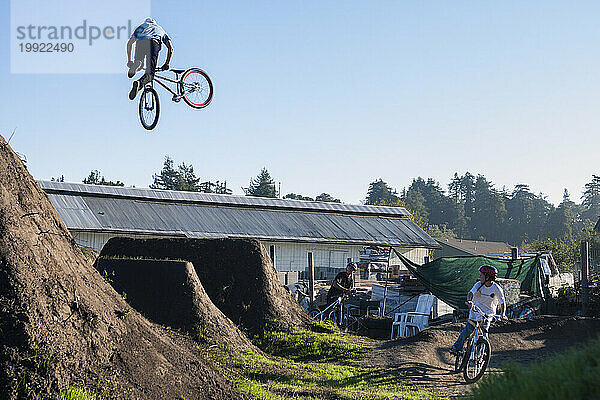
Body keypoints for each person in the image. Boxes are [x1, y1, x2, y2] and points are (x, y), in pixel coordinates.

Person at [450, 264, 508, 355]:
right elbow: (470, 293)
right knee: (467, 331)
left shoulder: (497, 288)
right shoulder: (478, 285)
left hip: (488, 314)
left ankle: (482, 352)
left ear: (487, 277)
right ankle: (456, 347)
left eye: (481, 275)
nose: (480, 277)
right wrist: (469, 301)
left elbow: (502, 303)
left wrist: (503, 314)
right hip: (475, 312)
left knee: (485, 332)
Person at [126, 18, 174, 100]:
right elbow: (170, 48)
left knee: (139, 62)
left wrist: (129, 60)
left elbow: (129, 43)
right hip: (153, 43)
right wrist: (167, 63)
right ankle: (139, 83)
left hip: (141, 42)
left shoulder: (140, 27)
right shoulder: (160, 29)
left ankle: (137, 64)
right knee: (150, 74)